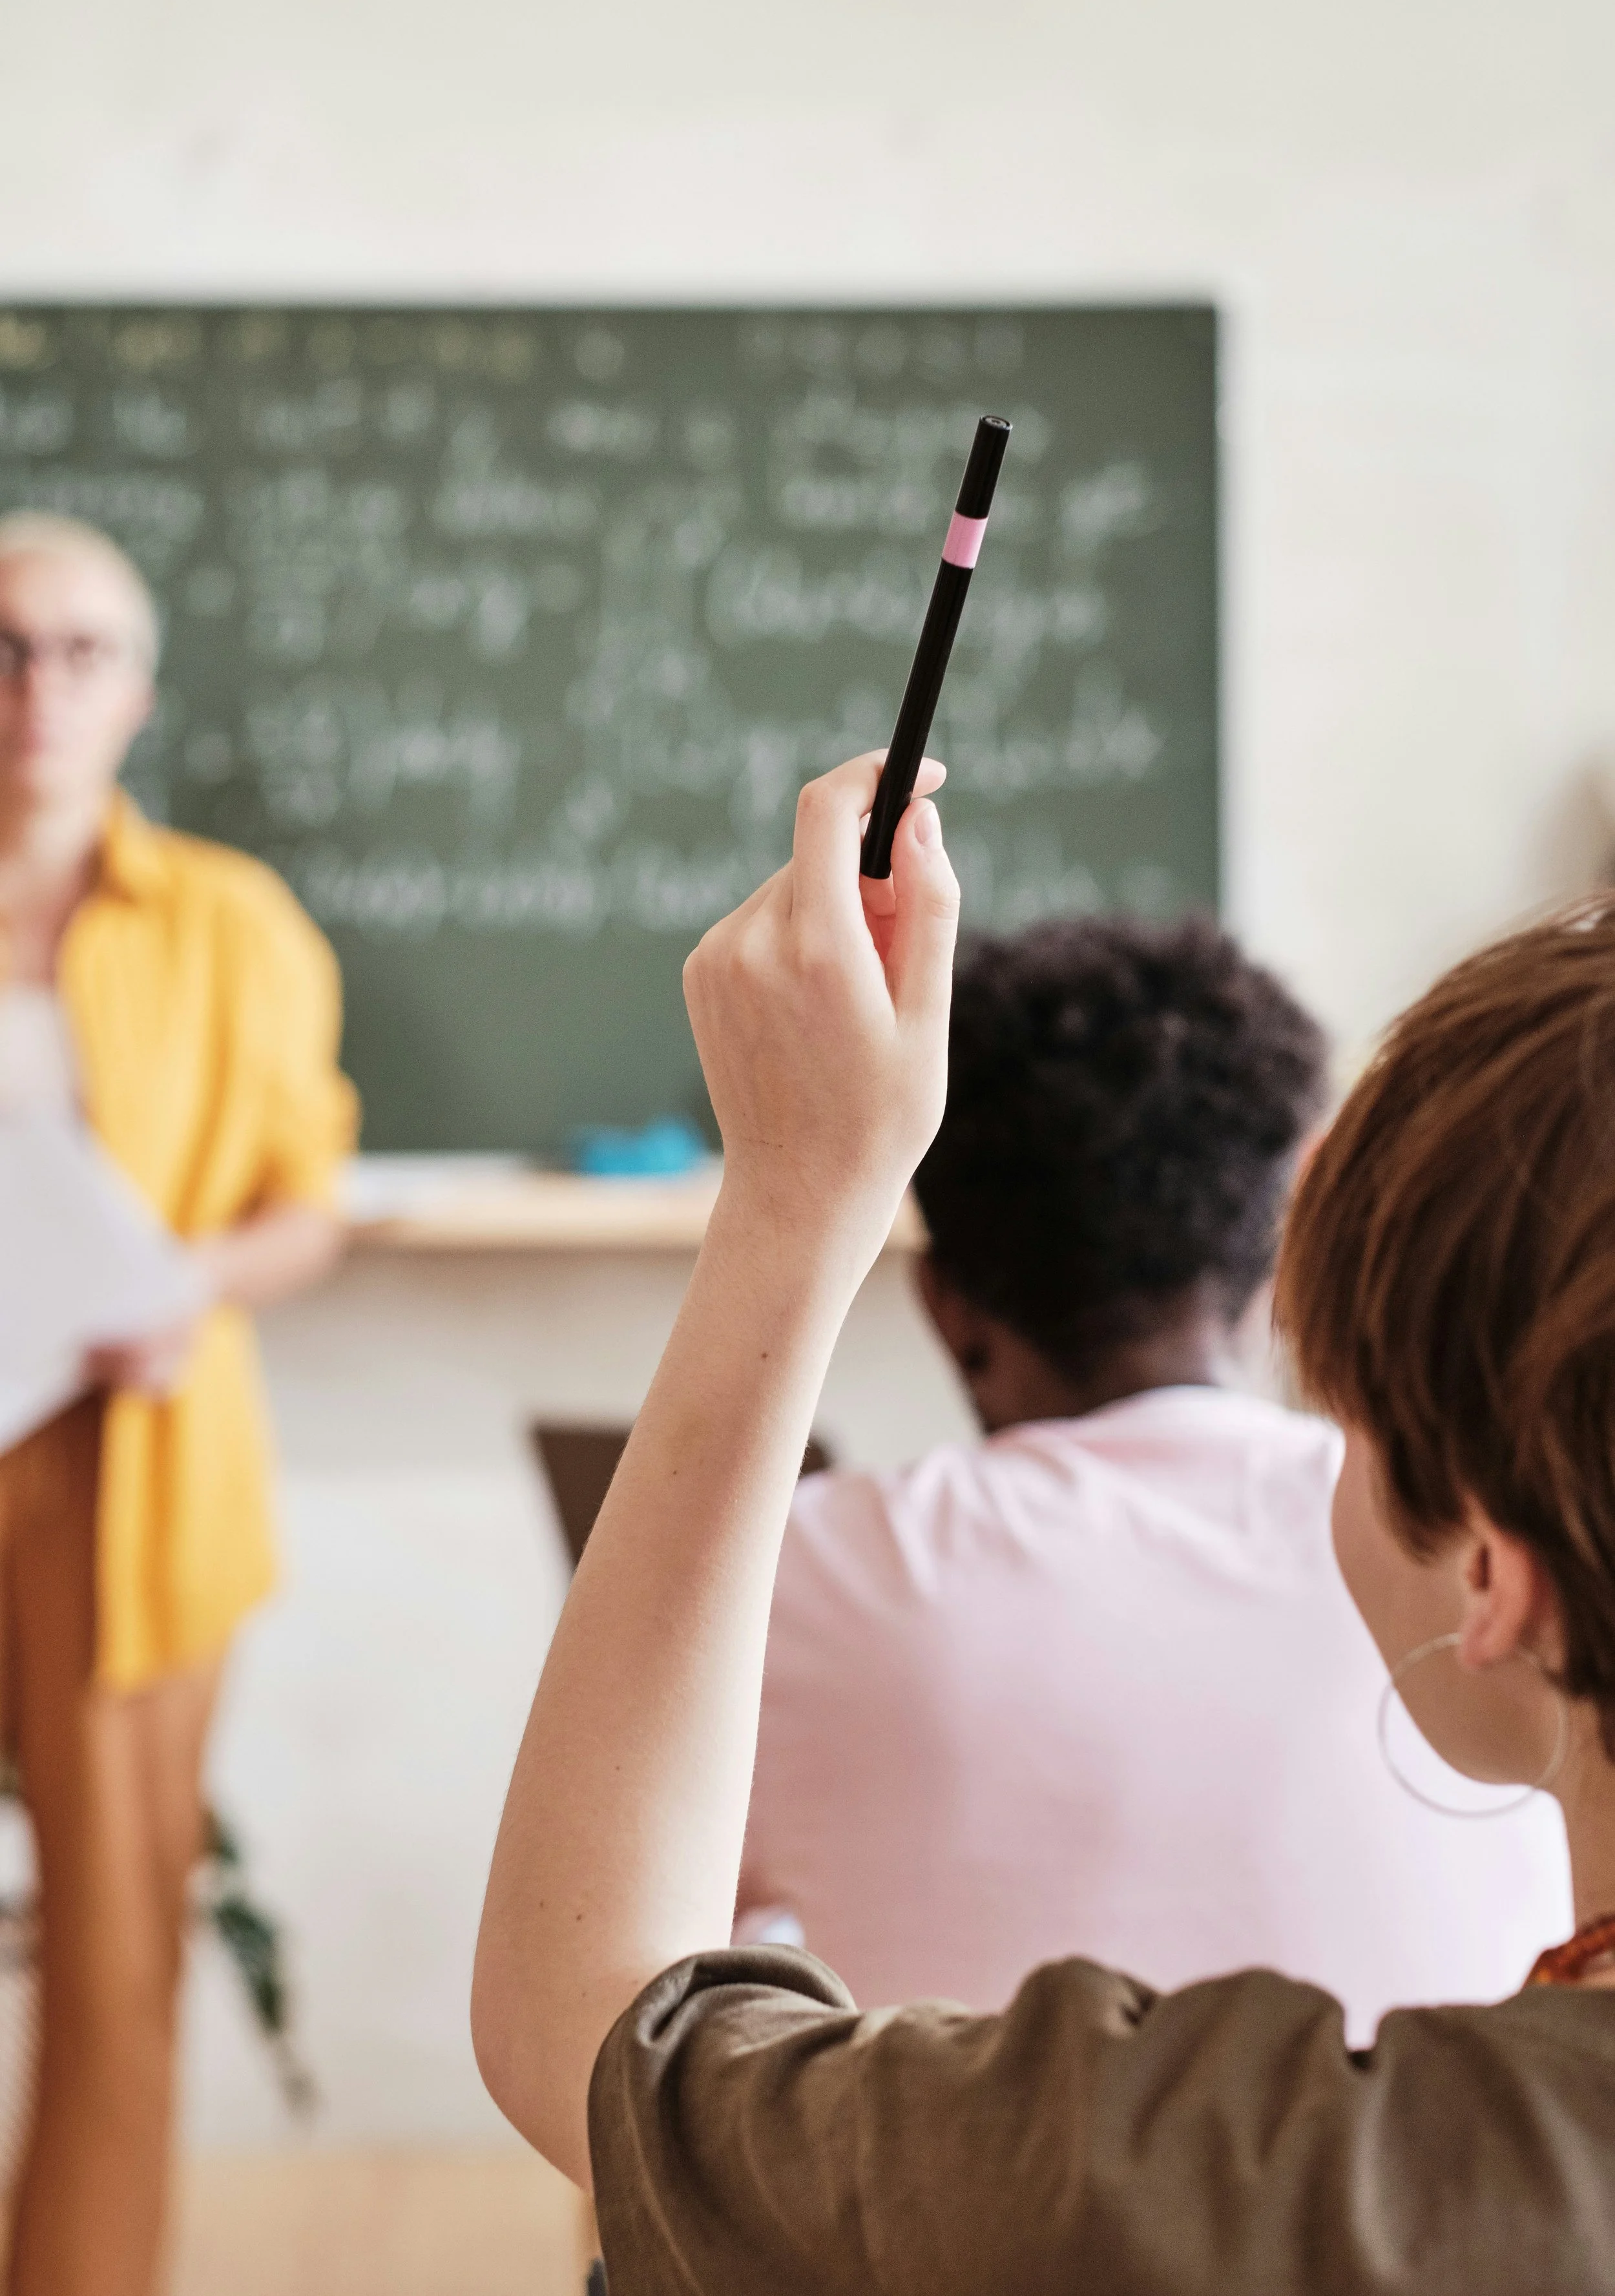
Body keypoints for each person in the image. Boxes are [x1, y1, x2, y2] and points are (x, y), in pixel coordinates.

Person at [473, 753, 1615, 2292]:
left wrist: (795, 1197)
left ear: (1491, 1570)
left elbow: (596, 2042)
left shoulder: (1239, 2170)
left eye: (1345, 1414)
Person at [736, 917, 1568, 2030]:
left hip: (977, 2197)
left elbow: (630, 1976)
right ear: (1277, 1258)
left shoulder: (800, 1570)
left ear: (951, 1311)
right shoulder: (1454, 1530)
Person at [0, 514, 355, 2296]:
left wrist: (179, 1292)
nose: (34, 687)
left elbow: (308, 1201)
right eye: (3, 644)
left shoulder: (234, 921)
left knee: (115, 1937)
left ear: (137, 688)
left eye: (77, 650)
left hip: (125, 1475)